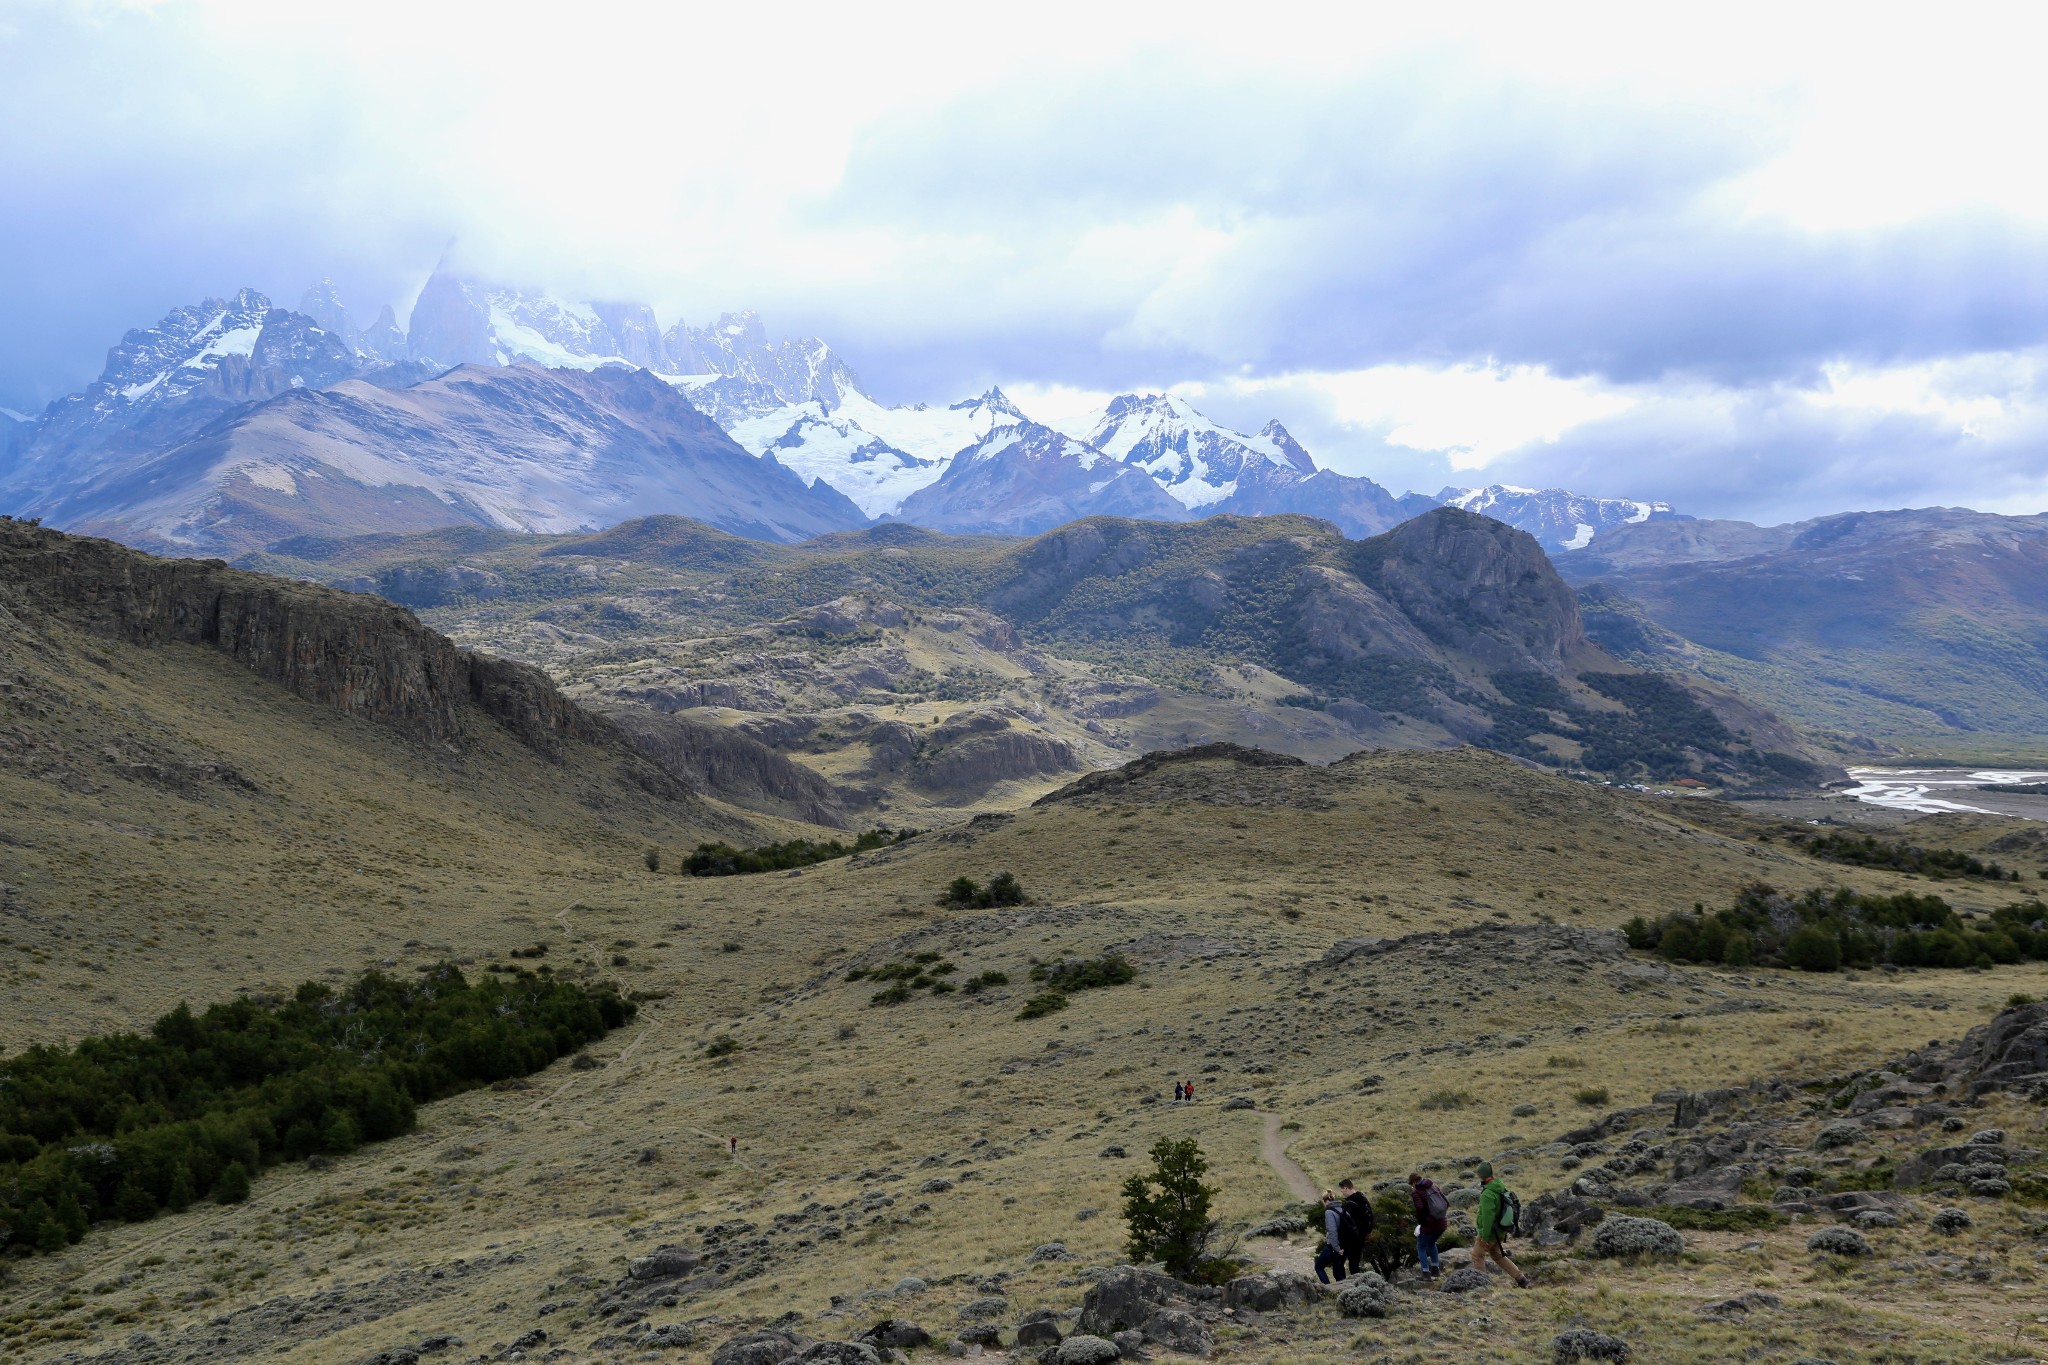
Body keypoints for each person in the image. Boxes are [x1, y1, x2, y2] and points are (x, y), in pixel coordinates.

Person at [1471, 1162, 1529, 1288]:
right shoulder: (1500, 1186)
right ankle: (1521, 1278)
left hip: (1490, 1232)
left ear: (1482, 1176)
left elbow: (1487, 1217)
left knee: (1477, 1255)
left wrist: (1484, 1237)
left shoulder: (1487, 1194)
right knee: (1497, 1255)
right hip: (1500, 1231)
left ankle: (1481, 1285)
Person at [1407, 1172, 1448, 1278]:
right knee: (1431, 1243)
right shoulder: (1433, 1186)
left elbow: (1420, 1208)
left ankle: (1425, 1273)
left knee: (1421, 1246)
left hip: (1429, 1224)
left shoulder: (1416, 1191)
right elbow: (1446, 1202)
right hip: (1442, 1222)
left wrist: (1421, 1223)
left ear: (1413, 1182)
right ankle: (1435, 1270)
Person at [1338, 1179, 1375, 1275]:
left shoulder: (1353, 1202)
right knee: (1354, 1261)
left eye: (1342, 1189)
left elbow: (1347, 1222)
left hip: (1355, 1236)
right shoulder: (1361, 1198)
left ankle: (1356, 1282)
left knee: (1353, 1262)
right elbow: (1370, 1215)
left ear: (1346, 1188)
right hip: (1360, 1235)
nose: (1341, 1192)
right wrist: (1368, 1231)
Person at [1313, 1190, 1348, 1284]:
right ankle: (1344, 1290)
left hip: (1334, 1247)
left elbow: (1332, 1232)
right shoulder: (1342, 1209)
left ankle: (1328, 1290)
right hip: (1345, 1245)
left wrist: (1337, 1248)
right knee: (1338, 1270)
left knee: (1319, 1266)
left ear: (1326, 1201)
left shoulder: (1329, 1212)